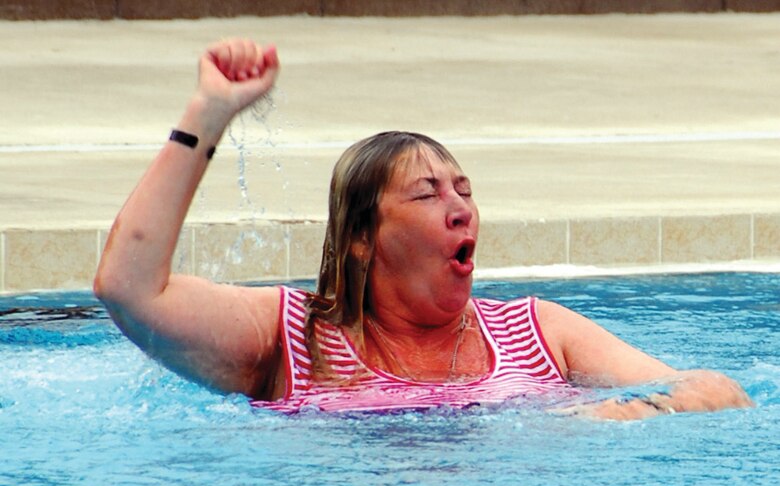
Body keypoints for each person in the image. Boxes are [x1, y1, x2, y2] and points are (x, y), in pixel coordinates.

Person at [94, 38, 752, 419]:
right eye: (427, 193)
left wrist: (591, 419)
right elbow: (127, 286)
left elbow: (715, 390)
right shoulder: (291, 337)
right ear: (361, 236)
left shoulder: (537, 333)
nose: (460, 207)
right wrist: (206, 116)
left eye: (464, 191)